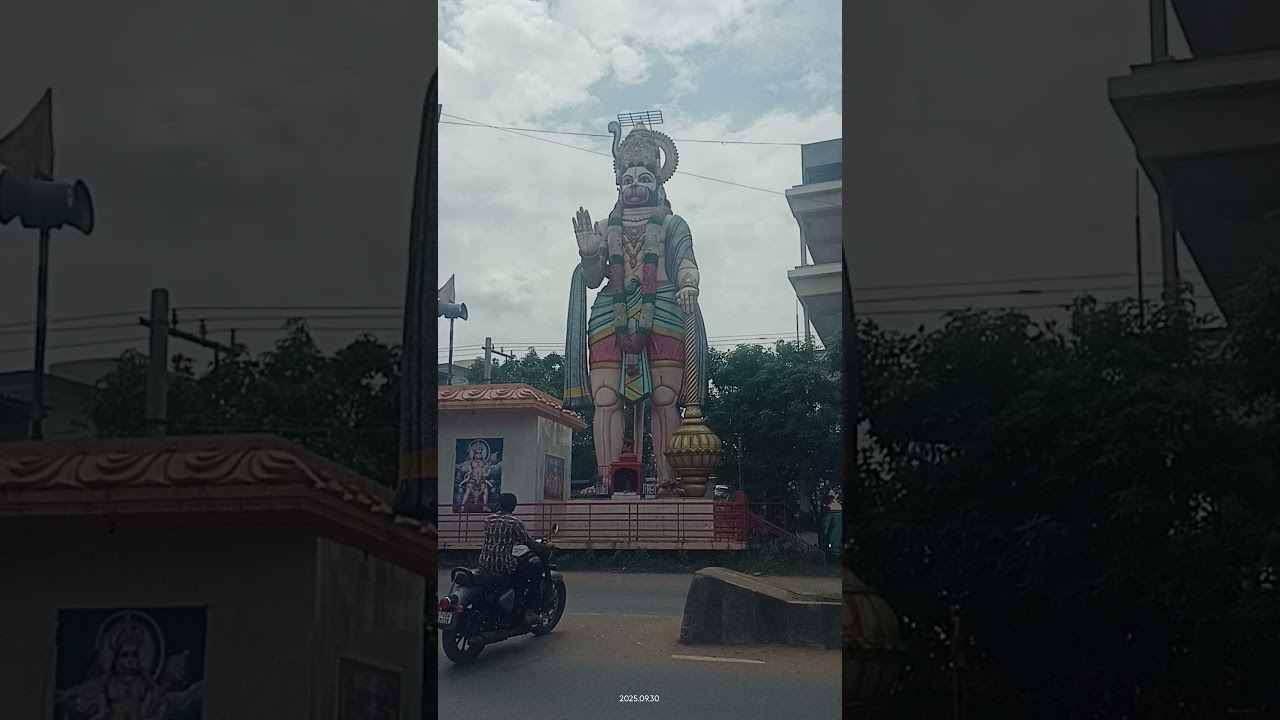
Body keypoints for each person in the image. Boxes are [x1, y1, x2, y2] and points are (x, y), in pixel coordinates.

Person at [478, 492, 547, 624]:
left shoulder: (488, 520)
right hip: (504, 565)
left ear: (499, 505)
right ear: (514, 507)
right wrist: (546, 546)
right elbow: (530, 544)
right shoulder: (514, 523)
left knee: (520, 568)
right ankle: (529, 613)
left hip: (485, 563)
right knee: (536, 570)